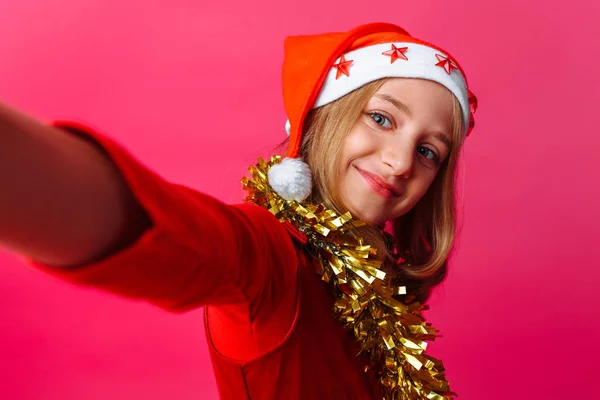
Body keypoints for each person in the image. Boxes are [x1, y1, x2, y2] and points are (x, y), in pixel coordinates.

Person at [0, 22, 477, 400]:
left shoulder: (382, 294)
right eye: (380, 118)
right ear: (322, 117)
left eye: (429, 152)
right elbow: (168, 230)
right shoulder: (269, 254)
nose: (399, 161)